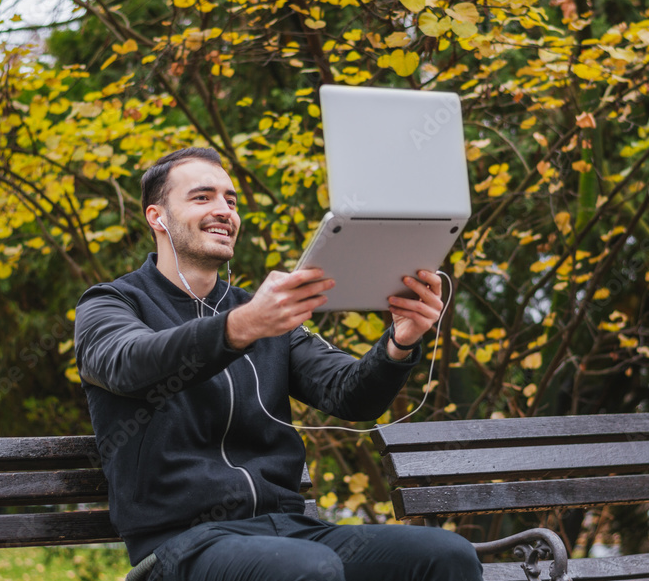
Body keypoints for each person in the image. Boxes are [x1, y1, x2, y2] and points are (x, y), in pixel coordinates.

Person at [74, 147, 483, 581]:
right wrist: (239, 328)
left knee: (448, 555)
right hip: (181, 548)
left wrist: (399, 344)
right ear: (157, 217)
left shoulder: (261, 311)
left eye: (231, 201)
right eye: (202, 197)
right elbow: (129, 364)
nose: (224, 211)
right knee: (309, 568)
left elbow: (348, 396)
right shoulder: (110, 304)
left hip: (290, 531)